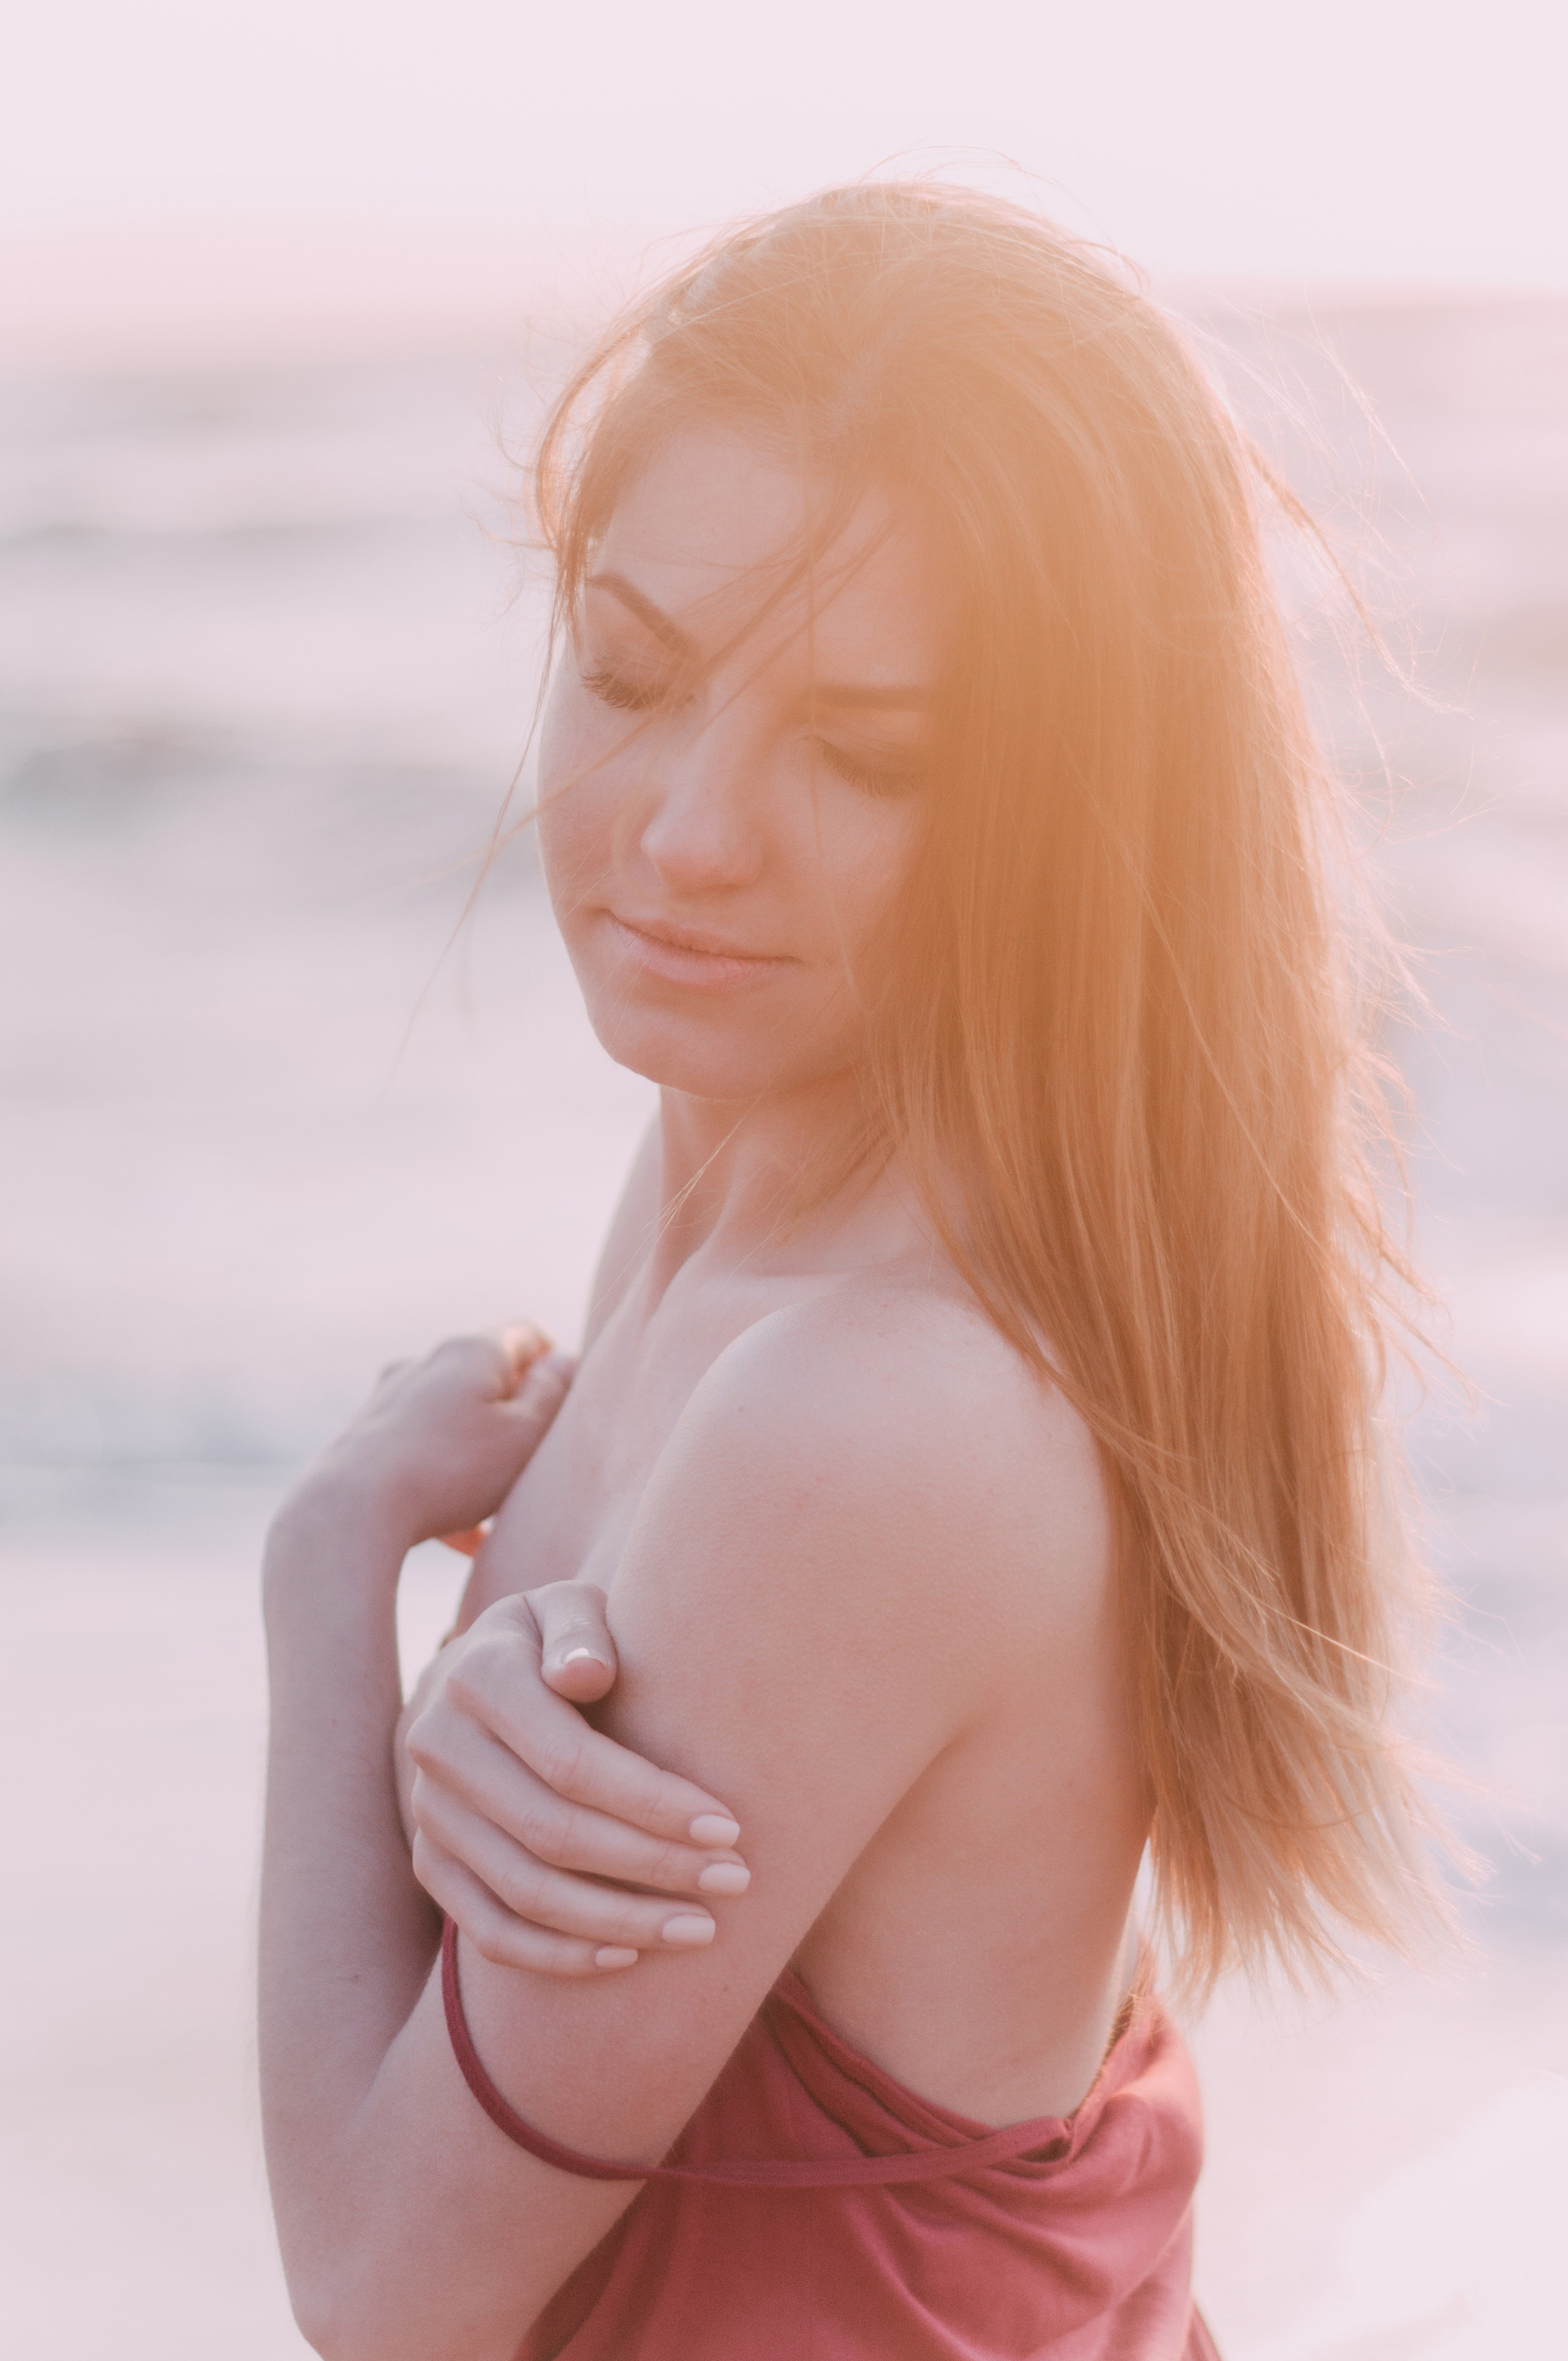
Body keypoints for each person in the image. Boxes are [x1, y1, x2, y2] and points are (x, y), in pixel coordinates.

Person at [259, 184, 1443, 2361]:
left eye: (865, 752)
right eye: (629, 673)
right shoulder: (732, 1150)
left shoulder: (878, 1411)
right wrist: (459, 1724)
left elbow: (384, 2287)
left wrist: (337, 1568)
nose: (693, 831)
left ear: (1061, 807)